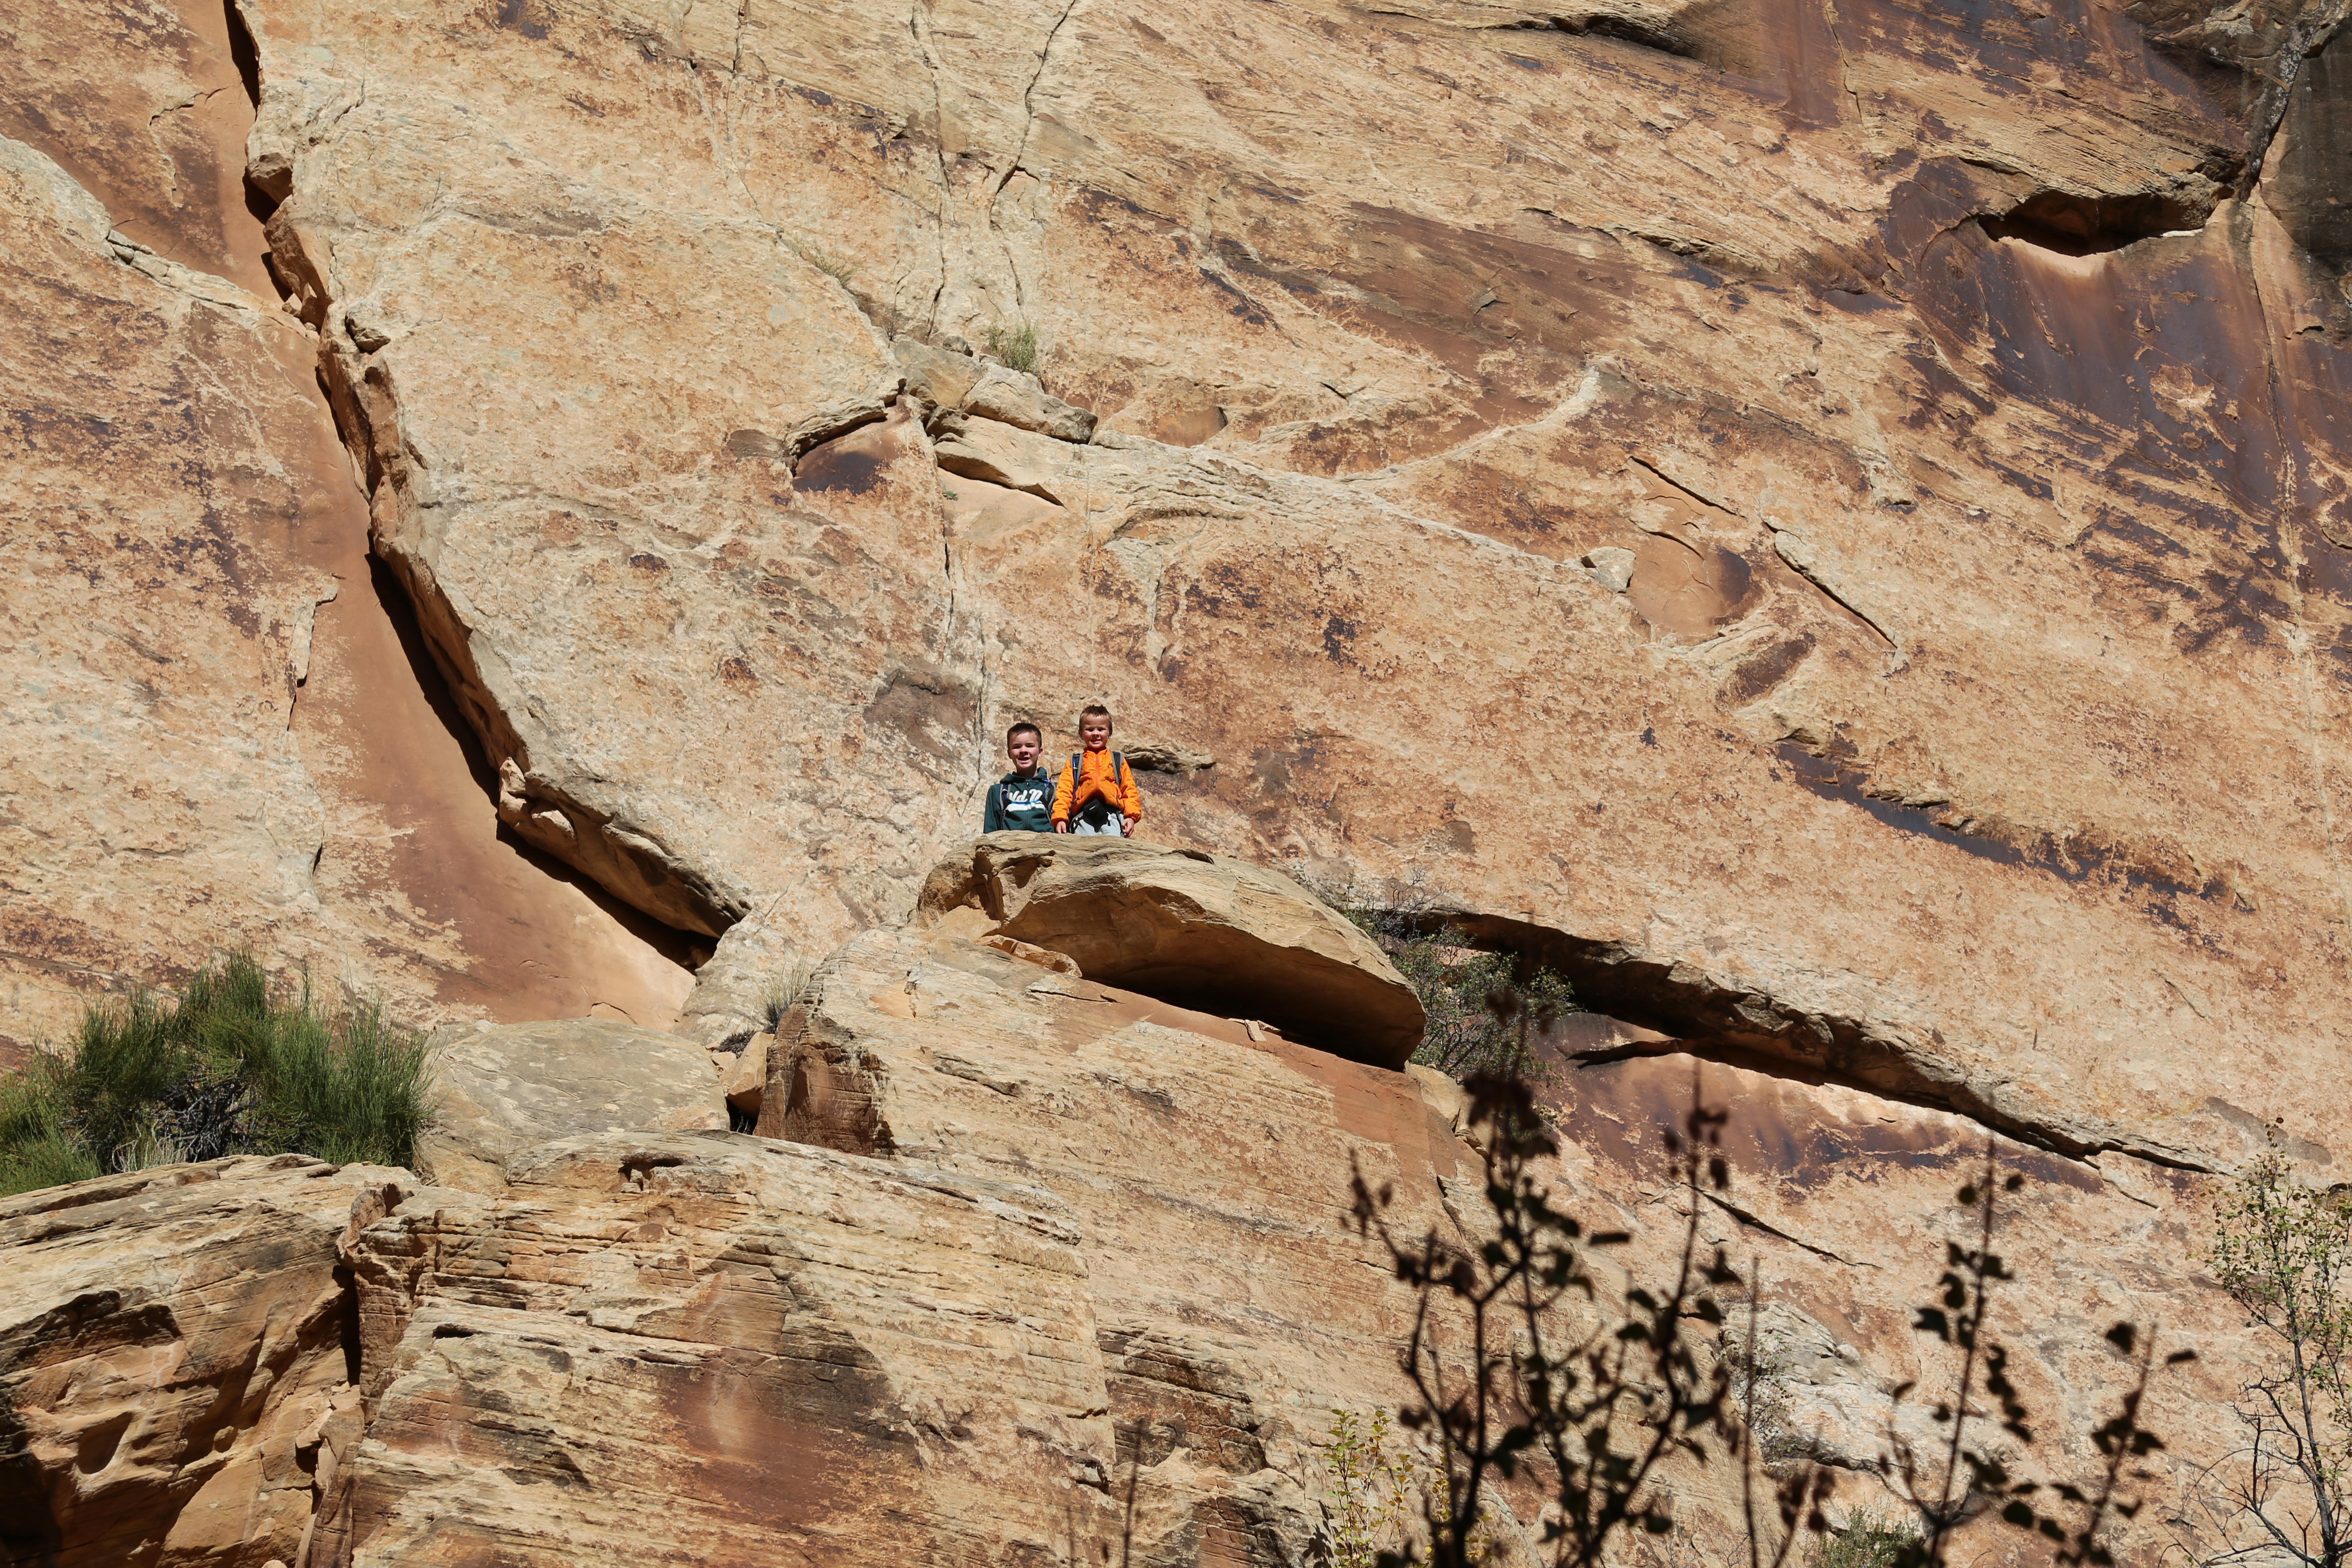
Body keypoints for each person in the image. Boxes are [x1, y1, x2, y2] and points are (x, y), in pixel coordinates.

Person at [1051, 704, 1141, 837]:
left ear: (1110, 733)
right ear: (1081, 733)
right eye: (1090, 729)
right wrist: (1060, 818)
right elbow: (1064, 792)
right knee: (1084, 852)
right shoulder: (1075, 762)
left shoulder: (1117, 760)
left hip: (1111, 817)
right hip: (1083, 818)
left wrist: (1131, 817)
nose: (1095, 734)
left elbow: (1129, 790)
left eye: (1101, 729)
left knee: (1112, 852)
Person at [983, 720, 1056, 833]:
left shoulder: (1055, 790)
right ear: (1009, 754)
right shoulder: (998, 792)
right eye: (1017, 747)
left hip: (1047, 848)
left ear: (1040, 752)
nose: (1023, 751)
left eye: (1030, 746)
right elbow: (989, 833)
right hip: (1010, 849)